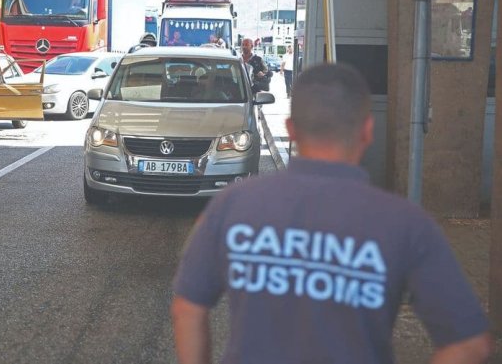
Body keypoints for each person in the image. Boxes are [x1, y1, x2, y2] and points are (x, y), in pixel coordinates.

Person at [171, 63, 492, 364]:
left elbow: (187, 308)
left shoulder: (232, 205)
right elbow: (470, 342)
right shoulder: (406, 223)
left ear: (291, 130)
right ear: (367, 130)